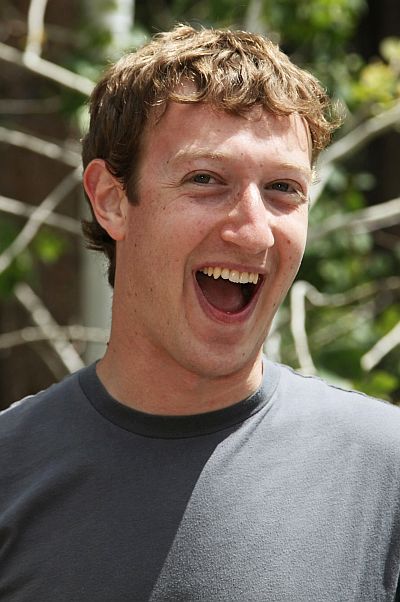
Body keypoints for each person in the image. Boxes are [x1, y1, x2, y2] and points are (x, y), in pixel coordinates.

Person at [0, 24, 399, 602]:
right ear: (112, 199)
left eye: (284, 189)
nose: (254, 230)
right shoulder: (12, 473)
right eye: (206, 180)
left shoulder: (384, 476)